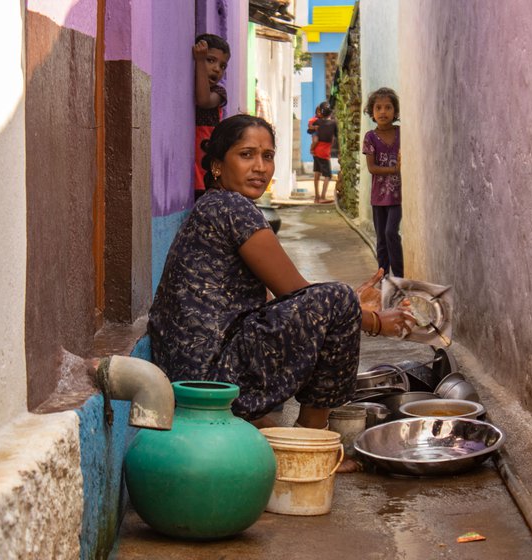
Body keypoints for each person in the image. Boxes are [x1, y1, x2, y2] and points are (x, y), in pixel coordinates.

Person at [147, 115, 415, 470]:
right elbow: (300, 293)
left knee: (336, 302)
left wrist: (349, 307)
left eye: (268, 156)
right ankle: (310, 444)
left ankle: (276, 433)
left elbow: (287, 302)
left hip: (189, 374)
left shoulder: (211, 207)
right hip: (208, 380)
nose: (260, 167)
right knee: (335, 300)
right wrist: (374, 321)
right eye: (246, 155)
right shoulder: (232, 208)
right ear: (216, 166)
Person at [363, 87, 404, 278]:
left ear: (395, 112)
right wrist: (394, 170)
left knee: (390, 233)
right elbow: (372, 168)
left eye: (388, 107)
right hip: (378, 198)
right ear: (372, 112)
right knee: (381, 240)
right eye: (378, 108)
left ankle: (399, 278)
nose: (383, 112)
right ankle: (383, 279)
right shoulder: (370, 137)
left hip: (398, 196)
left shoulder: (401, 134)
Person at [192, 33, 230, 201]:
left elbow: (203, 100)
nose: (217, 69)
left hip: (205, 171)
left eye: (222, 66)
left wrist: (200, 61)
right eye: (210, 60)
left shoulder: (219, 93)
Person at [310, 102, 337, 204]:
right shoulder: (333, 123)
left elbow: (312, 132)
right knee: (328, 175)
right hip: (325, 151)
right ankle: (322, 196)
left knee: (317, 173)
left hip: (316, 150)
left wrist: (312, 148)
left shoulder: (317, 122)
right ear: (330, 113)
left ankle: (316, 198)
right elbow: (335, 137)